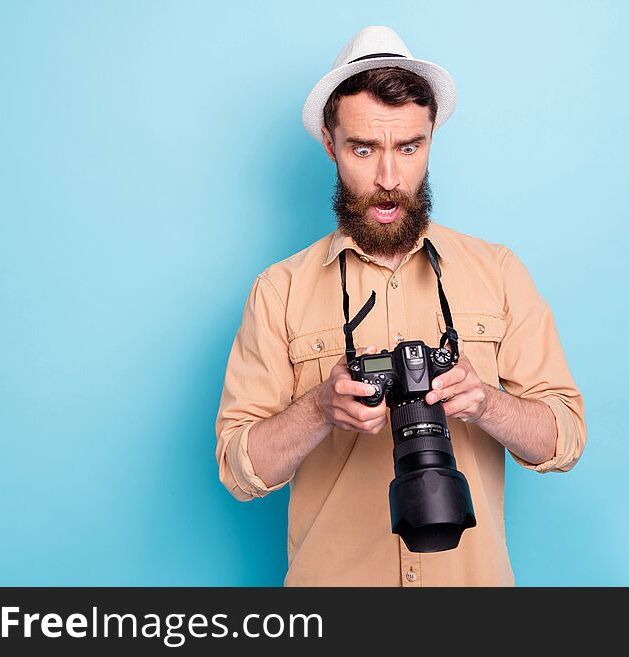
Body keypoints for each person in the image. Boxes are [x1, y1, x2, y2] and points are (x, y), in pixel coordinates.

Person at [215, 26, 586, 586]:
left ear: (431, 137)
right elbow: (240, 470)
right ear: (329, 143)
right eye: (363, 149)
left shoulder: (498, 272)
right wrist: (321, 407)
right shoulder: (279, 290)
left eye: (408, 148)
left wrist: (484, 402)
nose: (388, 179)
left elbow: (564, 438)